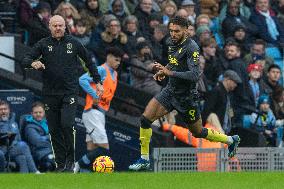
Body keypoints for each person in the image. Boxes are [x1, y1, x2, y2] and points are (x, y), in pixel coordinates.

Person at [128, 16, 240, 171]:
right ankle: (144, 159)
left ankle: (229, 140)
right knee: (145, 119)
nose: (173, 34)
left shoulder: (193, 48)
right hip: (170, 91)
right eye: (171, 30)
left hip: (185, 96)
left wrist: (171, 73)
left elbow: (194, 75)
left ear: (185, 31)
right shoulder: (174, 45)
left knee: (198, 131)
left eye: (176, 31)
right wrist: (164, 71)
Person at [22, 15, 103, 172]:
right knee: (54, 128)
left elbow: (89, 62)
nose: (58, 28)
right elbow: (25, 59)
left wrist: (98, 82)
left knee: (66, 124)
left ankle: (70, 160)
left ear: (65, 27)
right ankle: (61, 164)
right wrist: (33, 63)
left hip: (69, 92)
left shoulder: (74, 43)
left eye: (61, 25)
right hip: (50, 93)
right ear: (50, 27)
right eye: (55, 26)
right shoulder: (43, 44)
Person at [73, 47, 124, 173]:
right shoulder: (101, 70)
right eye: (116, 60)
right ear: (109, 57)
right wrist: (95, 95)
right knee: (104, 148)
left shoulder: (115, 73)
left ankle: (86, 174)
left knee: (92, 148)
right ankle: (77, 165)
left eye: (120, 61)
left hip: (99, 113)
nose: (118, 63)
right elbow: (82, 80)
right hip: (93, 111)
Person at [0, 100, 39, 173]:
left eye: (5, 109)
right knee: (23, 146)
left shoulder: (14, 123)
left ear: (9, 110)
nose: (3, 111)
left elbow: (18, 139)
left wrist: (13, 143)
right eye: (1, 109)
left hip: (11, 150)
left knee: (22, 158)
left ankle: (24, 180)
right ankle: (35, 171)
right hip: (2, 151)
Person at [22, 101, 56, 172]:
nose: (38, 114)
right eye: (35, 112)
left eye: (40, 112)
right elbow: (38, 142)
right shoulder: (29, 127)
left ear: (44, 113)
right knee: (52, 162)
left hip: (51, 150)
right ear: (31, 114)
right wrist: (50, 137)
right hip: (39, 153)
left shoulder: (47, 123)